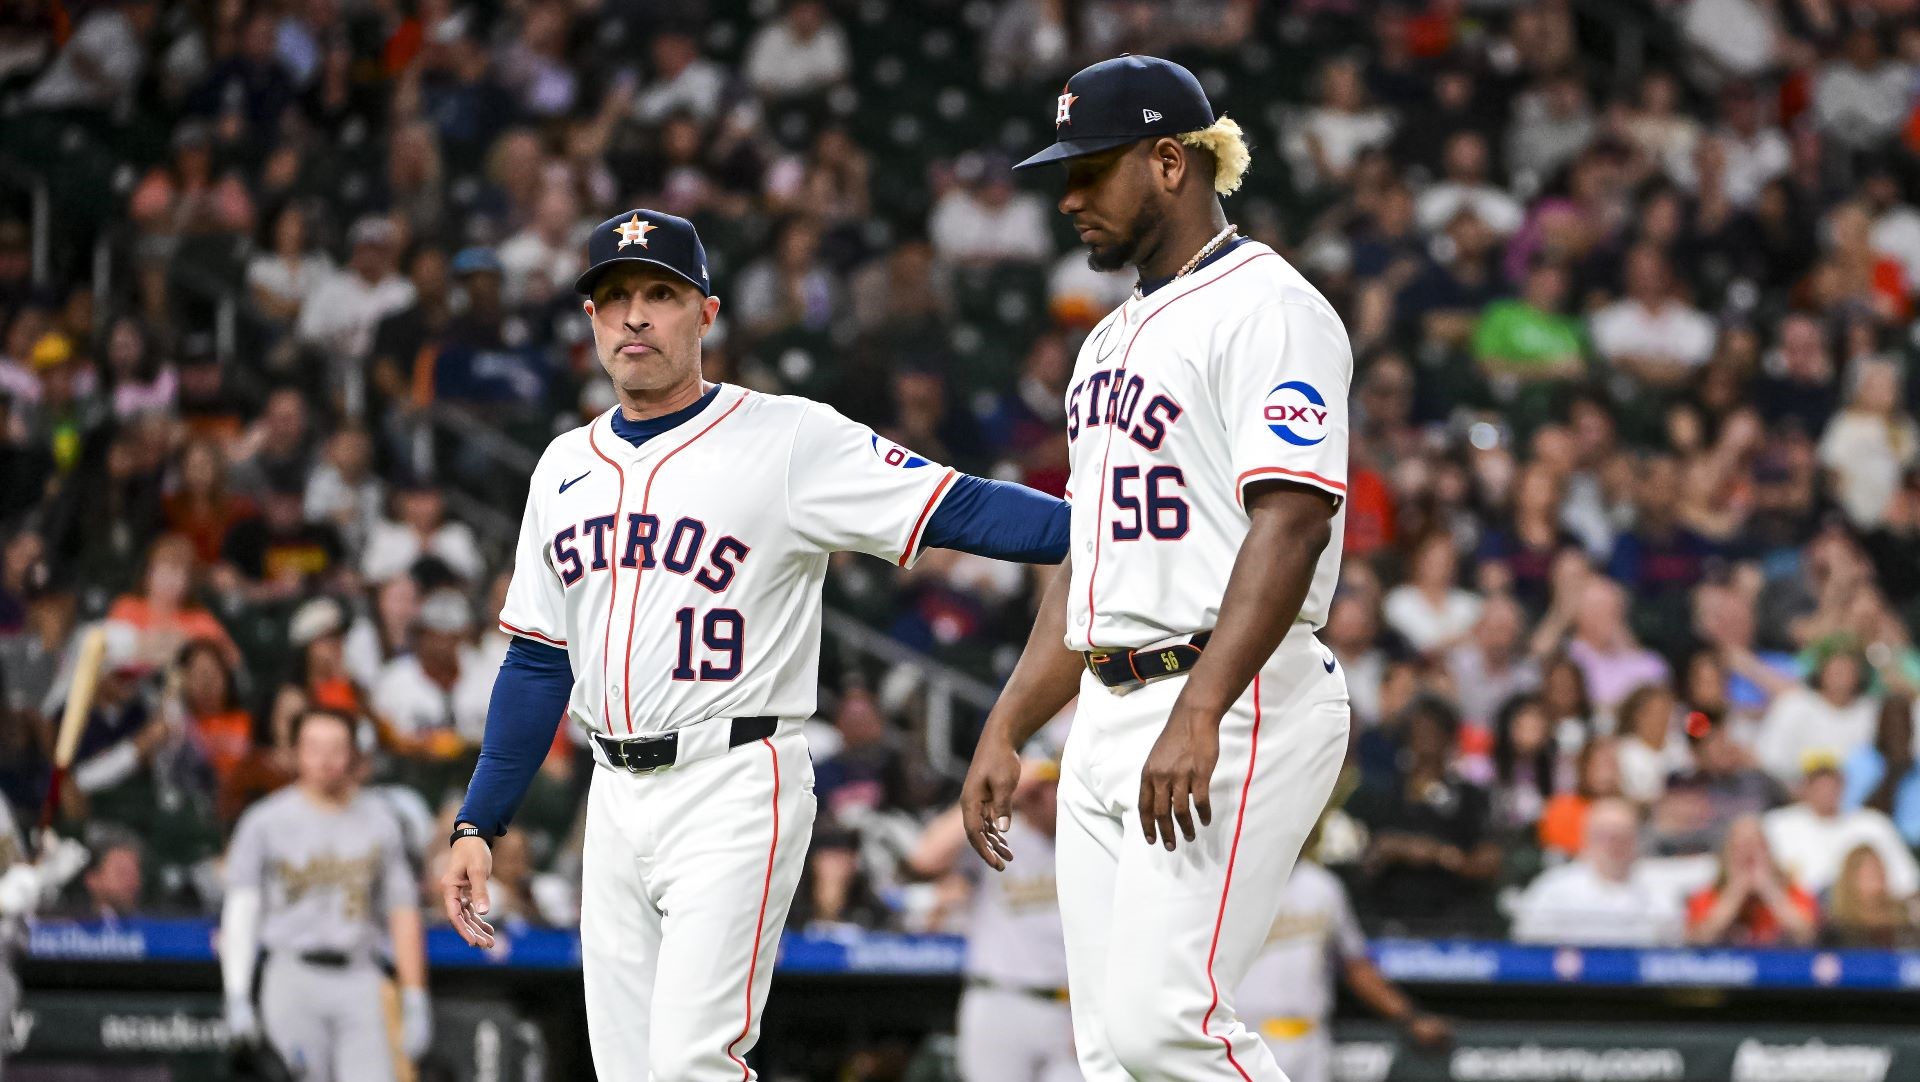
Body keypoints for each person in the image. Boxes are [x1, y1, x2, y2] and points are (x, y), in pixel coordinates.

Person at [439, 208, 1070, 1080]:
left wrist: (1110, 529)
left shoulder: (787, 437)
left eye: (661, 293)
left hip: (735, 780)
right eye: (613, 296)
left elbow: (955, 505)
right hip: (614, 797)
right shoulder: (561, 467)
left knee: (695, 1062)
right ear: (588, 319)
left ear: (707, 313)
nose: (634, 316)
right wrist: (480, 819)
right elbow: (539, 657)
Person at [960, 56, 1352, 1082]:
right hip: (1108, 705)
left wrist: (1203, 706)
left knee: (1162, 1027)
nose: (1071, 199)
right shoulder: (1105, 344)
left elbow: (1295, 520)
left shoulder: (1271, 304)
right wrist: (1009, 724)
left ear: (1170, 160)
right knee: (1112, 1060)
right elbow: (1088, 563)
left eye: (1090, 171)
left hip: (1231, 690)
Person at [220, 708, 430, 1082]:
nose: (325, 759)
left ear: (353, 754)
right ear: (295, 752)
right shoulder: (265, 821)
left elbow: (402, 911)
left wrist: (415, 996)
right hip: (292, 974)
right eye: (314, 747)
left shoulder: (380, 819)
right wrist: (237, 994)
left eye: (336, 747)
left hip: (360, 974)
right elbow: (242, 911)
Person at [907, 759, 1073, 1082]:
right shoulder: (999, 833)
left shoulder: (1088, 837)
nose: (1049, 796)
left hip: (1068, 1008)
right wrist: (1004, 791)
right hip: (1000, 1001)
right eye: (1041, 789)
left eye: (1053, 786)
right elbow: (925, 856)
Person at [1234, 850, 1451, 1082]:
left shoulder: (1323, 887)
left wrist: (1410, 1017)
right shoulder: (1229, 882)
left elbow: (1356, 966)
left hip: (1308, 1039)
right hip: (1243, 1035)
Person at [1511, 797, 1685, 945]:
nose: (1615, 844)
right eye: (1605, 836)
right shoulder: (1554, 888)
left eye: (1624, 835)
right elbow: (1528, 947)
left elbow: (1671, 953)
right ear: (1586, 838)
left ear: (1637, 839)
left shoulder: (1659, 890)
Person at [1762, 756, 1919, 897]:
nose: (1825, 790)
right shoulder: (1778, 824)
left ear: (1842, 785)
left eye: (1831, 782)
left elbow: (1907, 881)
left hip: (1865, 912)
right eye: (1817, 783)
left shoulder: (1872, 823)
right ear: (1804, 786)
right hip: (1803, 914)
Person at [1684, 815, 1817, 946]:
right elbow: (1701, 938)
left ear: (1768, 851)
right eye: (1740, 847)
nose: (1748, 853)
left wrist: (1768, 888)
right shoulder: (1707, 895)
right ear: (1727, 853)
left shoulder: (1793, 892)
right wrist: (1735, 891)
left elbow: (1807, 935)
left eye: (1756, 846)